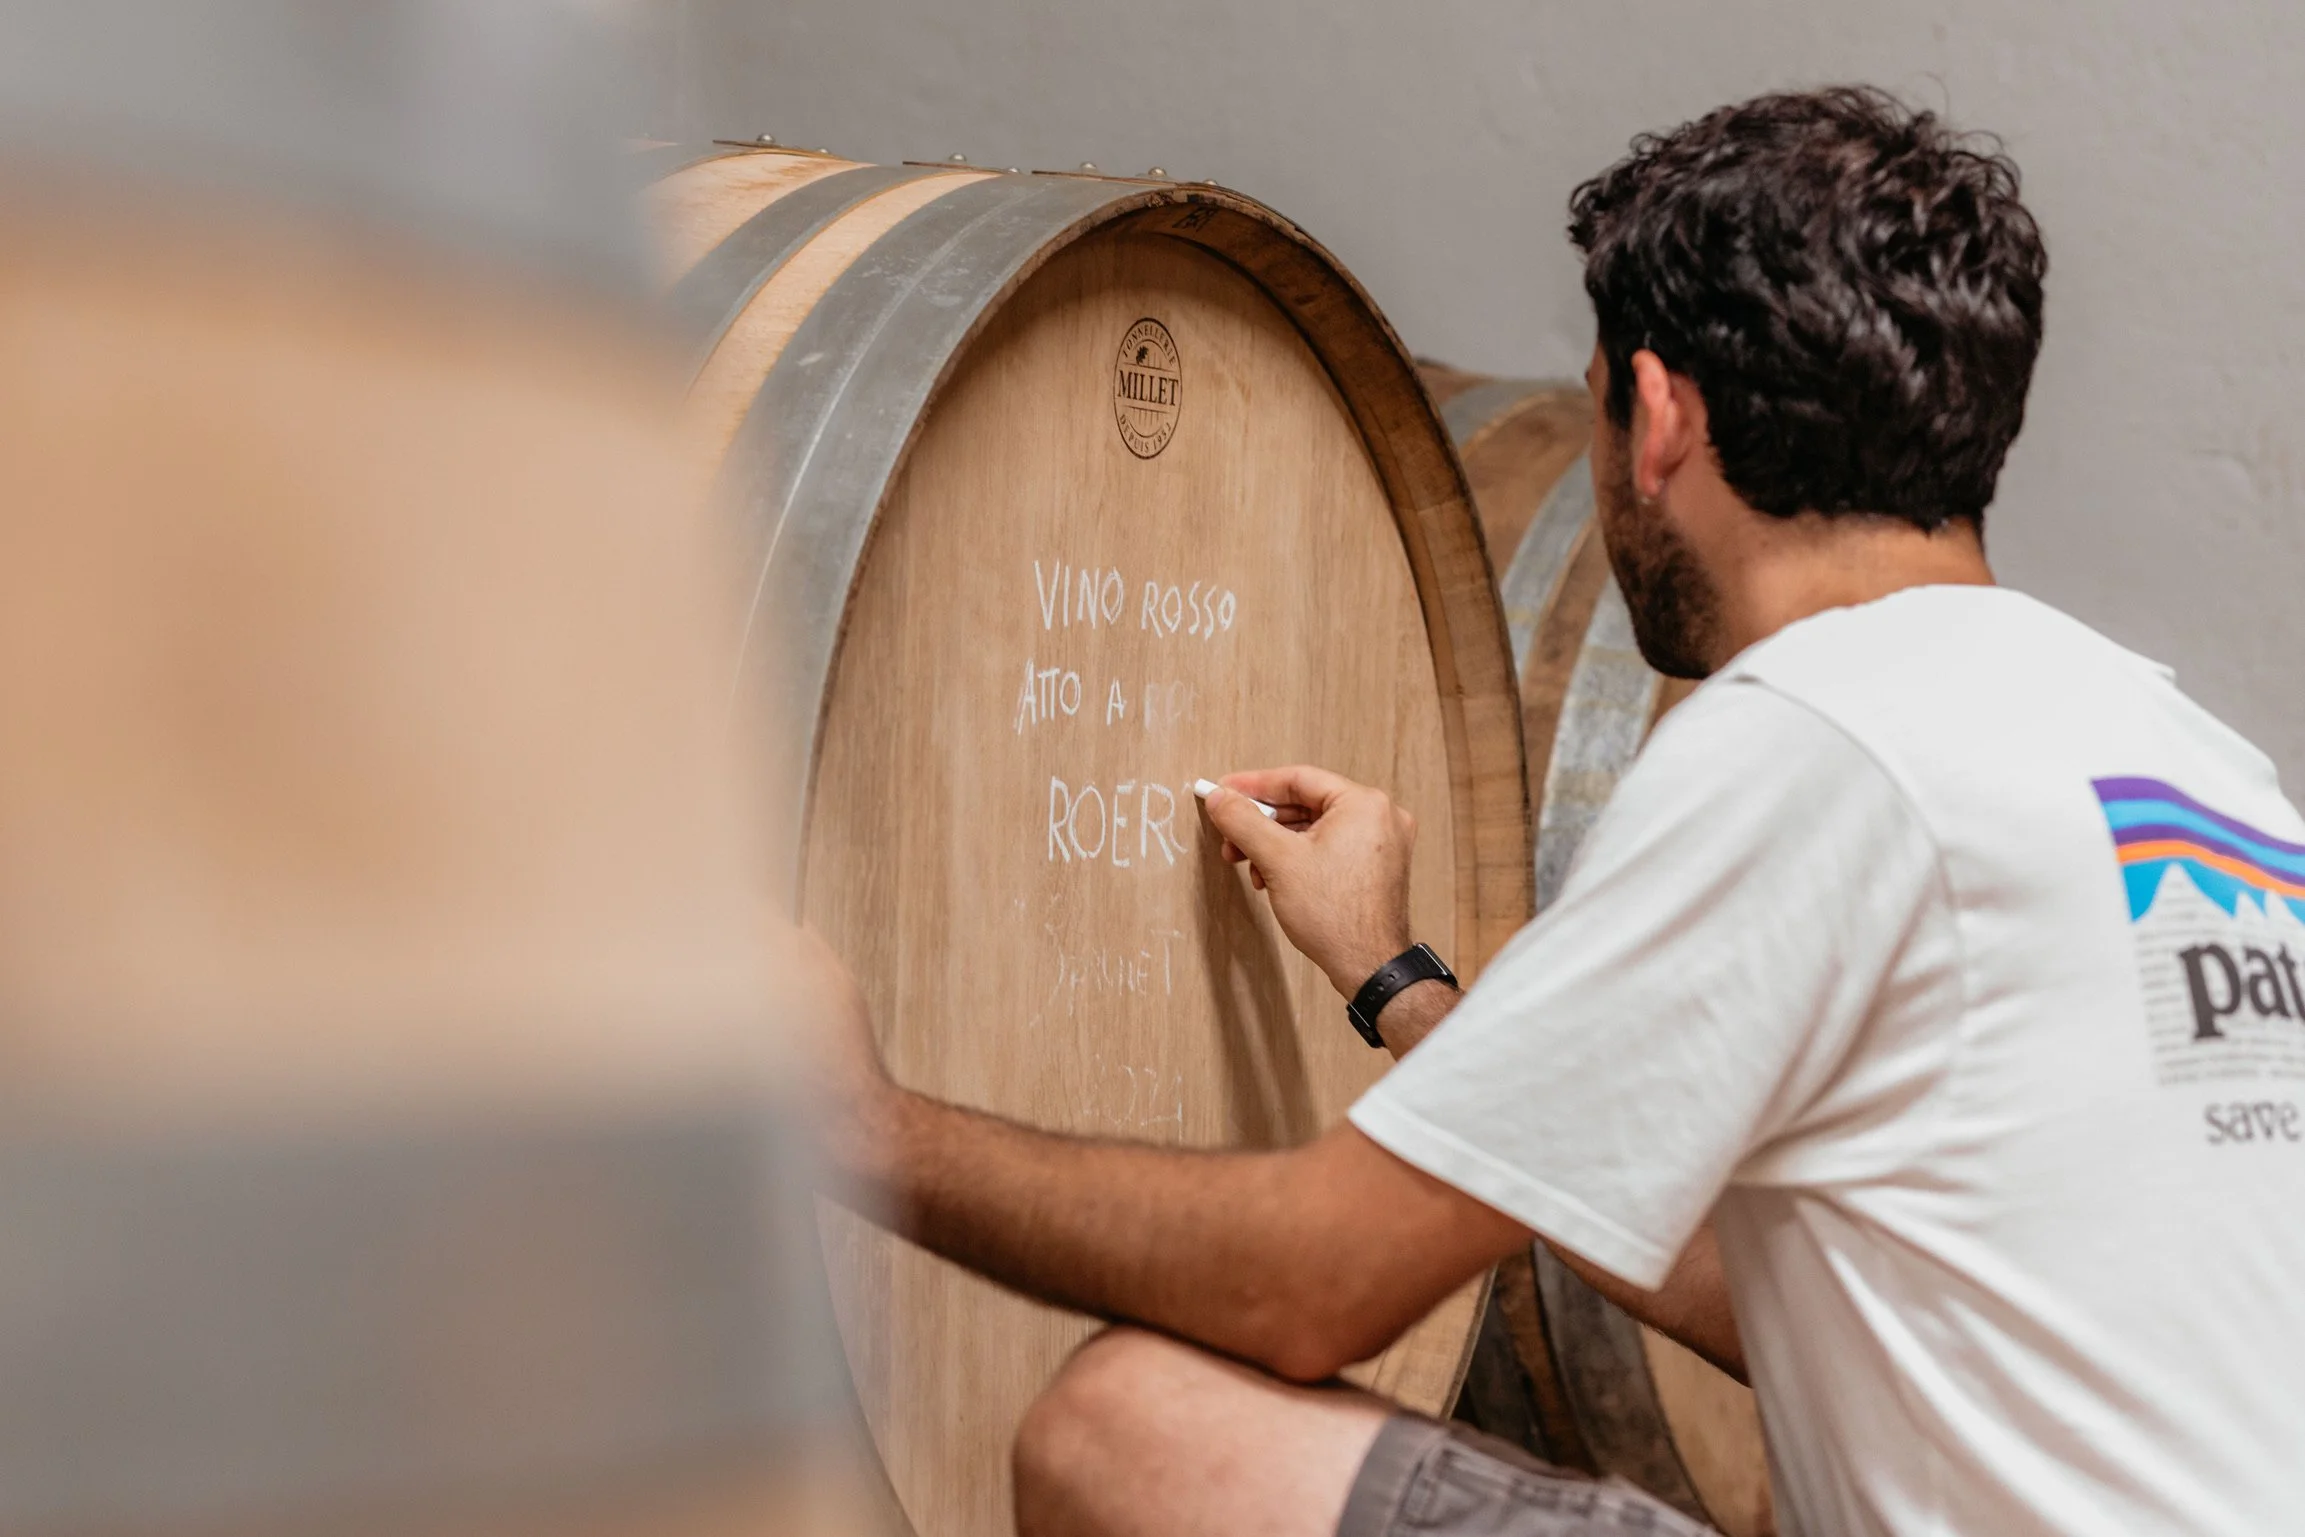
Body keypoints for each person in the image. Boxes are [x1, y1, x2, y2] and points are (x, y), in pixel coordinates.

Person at [800, 86, 2305, 1535]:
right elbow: (1818, 1304)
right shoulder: (2186, 758)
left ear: (1656, 418)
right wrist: (1399, 987)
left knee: (1139, 1430)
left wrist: (865, 1129)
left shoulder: (1821, 736)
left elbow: (1311, 1286)